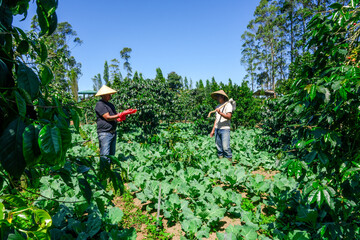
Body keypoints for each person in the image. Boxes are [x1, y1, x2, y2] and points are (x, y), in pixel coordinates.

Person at [95, 85, 119, 161]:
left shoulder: (110, 105)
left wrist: (120, 117)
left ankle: (109, 171)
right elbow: (107, 117)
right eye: (109, 94)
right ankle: (104, 171)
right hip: (105, 133)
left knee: (111, 155)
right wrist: (119, 115)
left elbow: (114, 116)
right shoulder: (100, 104)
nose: (110, 96)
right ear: (104, 95)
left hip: (113, 132)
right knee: (105, 156)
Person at [209, 90, 233, 161]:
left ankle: (229, 164)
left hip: (225, 129)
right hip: (217, 129)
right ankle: (221, 163)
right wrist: (213, 130)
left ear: (222, 96)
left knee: (226, 148)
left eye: (218, 96)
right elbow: (216, 120)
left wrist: (220, 113)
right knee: (219, 148)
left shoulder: (228, 105)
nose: (217, 98)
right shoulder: (217, 106)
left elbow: (229, 117)